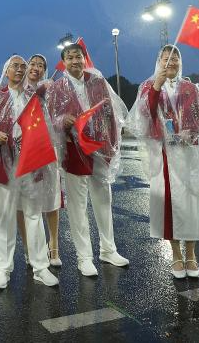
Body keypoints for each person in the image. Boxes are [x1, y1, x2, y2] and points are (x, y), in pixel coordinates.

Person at [130, 46, 199, 278]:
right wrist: (157, 86)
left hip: (189, 152)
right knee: (169, 203)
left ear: (181, 62)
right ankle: (176, 255)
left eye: (175, 57)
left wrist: (193, 133)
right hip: (165, 154)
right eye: (166, 58)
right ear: (158, 61)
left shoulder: (190, 87)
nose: (171, 61)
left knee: (192, 202)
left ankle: (191, 254)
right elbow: (145, 117)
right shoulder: (148, 87)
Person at [44, 42, 129, 277]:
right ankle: (84, 257)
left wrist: (112, 146)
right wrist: (63, 121)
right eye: (69, 57)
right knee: (78, 206)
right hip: (74, 150)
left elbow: (111, 114)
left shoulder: (98, 82)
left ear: (84, 59)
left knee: (103, 200)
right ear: (63, 62)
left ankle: (108, 249)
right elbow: (51, 119)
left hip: (100, 148)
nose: (74, 61)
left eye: (78, 56)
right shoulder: (57, 87)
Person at [0, 55, 60, 289]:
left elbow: (46, 127)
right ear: (6, 71)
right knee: (6, 216)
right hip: (5, 165)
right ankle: (3, 269)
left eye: (22, 66)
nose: (19, 70)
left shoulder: (34, 98)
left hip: (31, 164)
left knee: (34, 215)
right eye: (14, 66)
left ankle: (40, 266)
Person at [22, 53, 63, 267]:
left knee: (52, 198)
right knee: (30, 200)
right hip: (27, 149)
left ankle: (53, 245)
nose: (36, 67)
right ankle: (33, 248)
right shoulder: (20, 89)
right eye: (33, 63)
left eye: (41, 65)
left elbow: (59, 117)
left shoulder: (51, 88)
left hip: (49, 148)